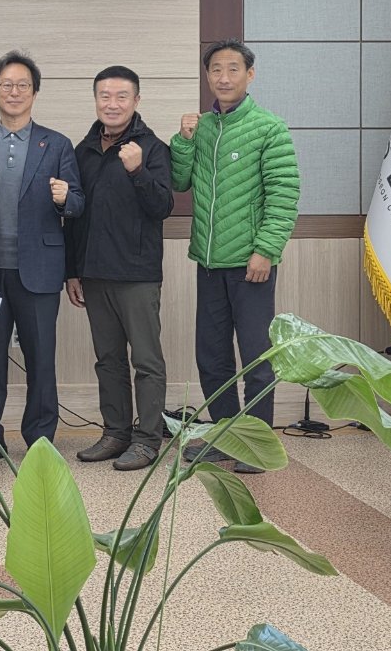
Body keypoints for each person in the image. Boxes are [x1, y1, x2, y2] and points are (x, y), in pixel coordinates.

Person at [171, 40, 300, 474]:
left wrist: (266, 250)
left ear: (250, 74)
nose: (223, 77)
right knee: (212, 358)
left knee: (256, 358)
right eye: (215, 69)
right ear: (207, 75)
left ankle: (257, 445)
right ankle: (225, 437)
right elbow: (179, 181)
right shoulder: (202, 127)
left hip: (251, 266)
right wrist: (183, 140)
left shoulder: (269, 128)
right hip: (208, 263)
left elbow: (284, 195)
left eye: (232, 69)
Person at [0, 51, 82, 455]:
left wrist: (65, 198)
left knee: (41, 361)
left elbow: (79, 204)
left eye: (23, 85)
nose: (14, 92)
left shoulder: (57, 144)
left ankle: (39, 440)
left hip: (38, 271)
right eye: (7, 85)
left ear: (35, 92)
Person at [65, 66, 174, 471]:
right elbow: (74, 216)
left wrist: (137, 171)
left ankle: (147, 440)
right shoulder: (83, 150)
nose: (112, 104)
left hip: (137, 274)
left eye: (121, 96)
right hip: (94, 274)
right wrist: (72, 271)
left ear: (136, 101)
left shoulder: (153, 148)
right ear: (96, 100)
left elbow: (163, 206)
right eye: (105, 96)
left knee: (146, 361)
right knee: (107, 360)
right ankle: (116, 433)